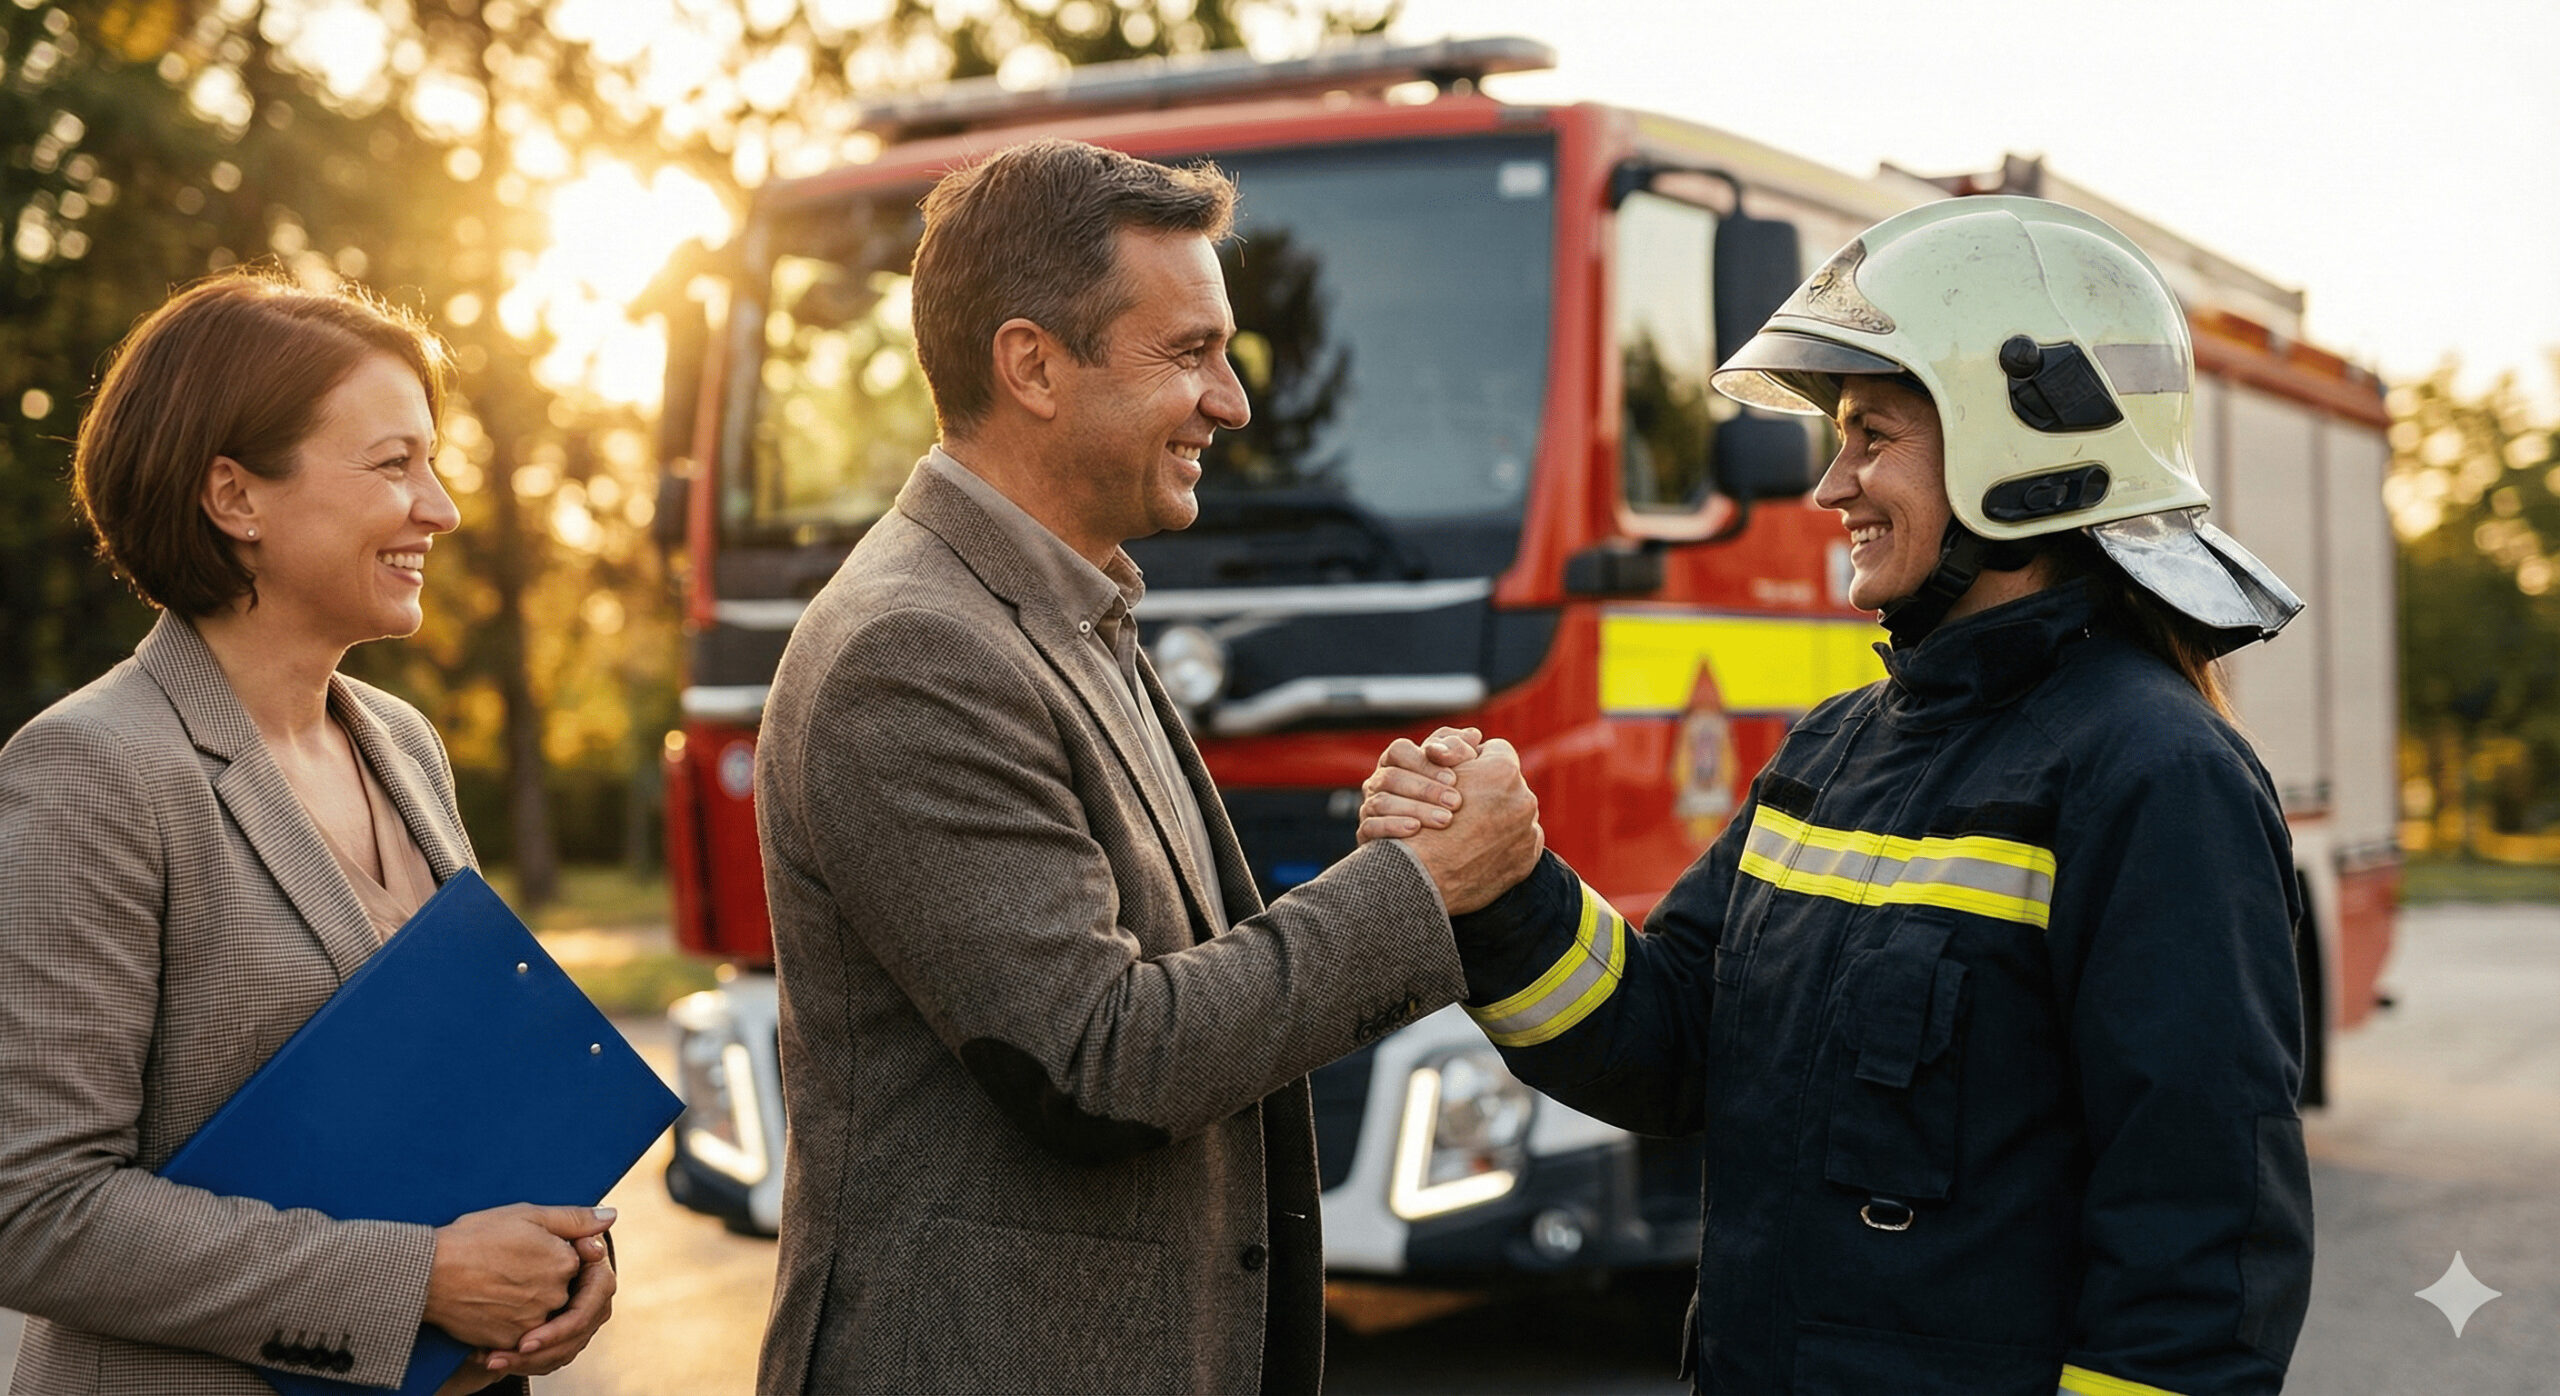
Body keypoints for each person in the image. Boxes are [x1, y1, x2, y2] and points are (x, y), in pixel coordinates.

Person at [1362, 197, 2315, 1395]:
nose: (1831, 487)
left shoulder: (2155, 778)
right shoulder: (1837, 751)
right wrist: (1506, 886)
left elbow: (2197, 1258)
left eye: (1870, 435)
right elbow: (1666, 1049)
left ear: (2018, 443)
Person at [751, 137, 1543, 1396]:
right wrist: (1416, 889)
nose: (1232, 402)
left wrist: (1386, 863)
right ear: (1032, 366)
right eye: (1189, 354)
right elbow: (1101, 1064)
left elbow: (1172, 972)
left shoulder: (1067, 605)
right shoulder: (915, 651)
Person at [0, 271, 619, 1395]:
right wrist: (413, 1282)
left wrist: (564, 1255)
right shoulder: (92, 770)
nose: (442, 507)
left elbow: (455, 1086)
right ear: (235, 496)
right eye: (394, 465)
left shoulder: (404, 743)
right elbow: (34, 1206)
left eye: (434, 462)